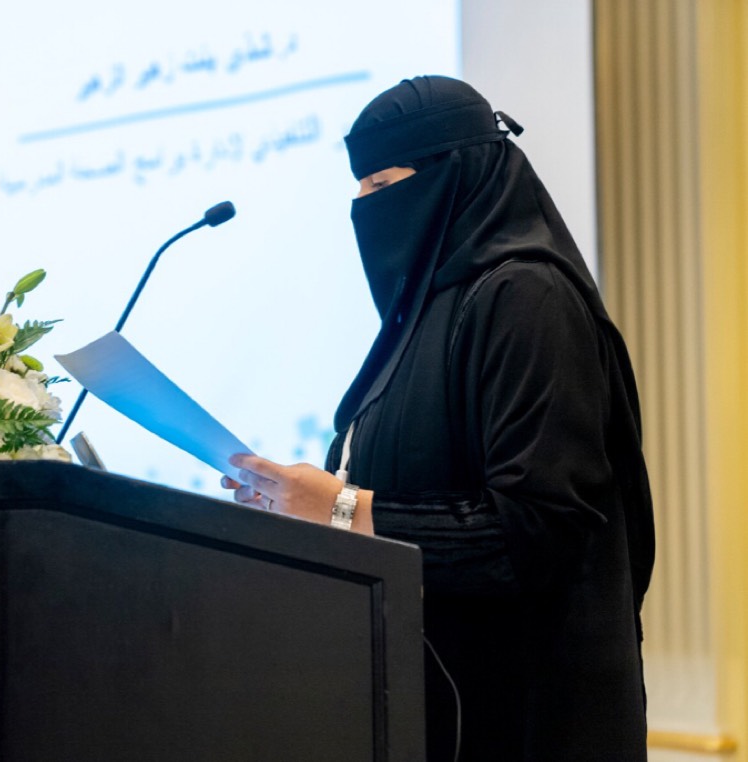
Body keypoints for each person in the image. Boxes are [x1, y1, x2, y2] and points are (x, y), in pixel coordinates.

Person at [223, 76, 654, 761]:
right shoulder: (424, 315)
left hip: (524, 721)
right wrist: (298, 508)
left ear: (455, 175)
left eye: (381, 183)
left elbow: (535, 530)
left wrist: (341, 510)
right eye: (358, 186)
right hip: (432, 704)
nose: (363, 206)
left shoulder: (527, 297)